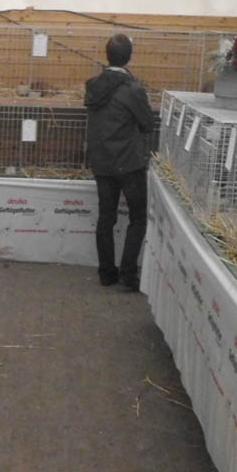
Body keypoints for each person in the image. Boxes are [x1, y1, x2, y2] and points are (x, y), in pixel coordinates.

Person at [84, 34, 153, 292]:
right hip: (129, 163)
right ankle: (128, 274)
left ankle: (106, 273)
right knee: (138, 218)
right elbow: (147, 124)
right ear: (129, 57)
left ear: (107, 56)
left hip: (102, 162)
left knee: (106, 218)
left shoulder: (93, 86)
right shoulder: (133, 90)